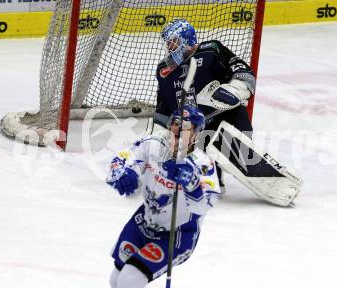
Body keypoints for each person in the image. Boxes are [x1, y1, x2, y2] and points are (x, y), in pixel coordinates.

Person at [106, 105, 221, 288]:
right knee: (116, 278)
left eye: (186, 127)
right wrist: (122, 174)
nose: (178, 128)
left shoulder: (203, 164)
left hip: (178, 233)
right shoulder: (152, 144)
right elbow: (122, 159)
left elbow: (206, 203)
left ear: (196, 135)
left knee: (131, 278)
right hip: (144, 221)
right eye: (176, 123)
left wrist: (190, 182)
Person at [154, 18, 256, 188]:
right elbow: (163, 110)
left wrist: (235, 89)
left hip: (224, 116)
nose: (170, 47)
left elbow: (243, 71)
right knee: (196, 179)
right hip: (192, 129)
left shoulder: (211, 50)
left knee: (244, 154)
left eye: (174, 42)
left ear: (188, 39)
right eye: (168, 43)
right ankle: (206, 179)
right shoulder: (164, 71)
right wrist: (157, 140)